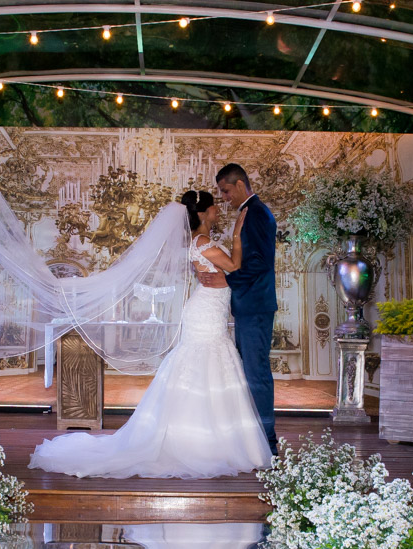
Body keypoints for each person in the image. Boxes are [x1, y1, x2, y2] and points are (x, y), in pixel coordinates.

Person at [28, 191, 273, 479]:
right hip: (206, 312)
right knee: (206, 364)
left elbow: (224, 273)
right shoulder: (203, 241)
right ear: (204, 212)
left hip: (210, 307)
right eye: (214, 207)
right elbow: (235, 267)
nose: (219, 210)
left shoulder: (199, 242)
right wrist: (236, 234)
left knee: (207, 366)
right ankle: (198, 441)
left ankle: (207, 437)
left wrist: (224, 270)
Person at [199, 163, 279, 456]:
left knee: (256, 372)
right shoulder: (250, 212)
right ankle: (255, 438)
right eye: (221, 192)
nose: (223, 197)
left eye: (226, 190)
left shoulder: (256, 213)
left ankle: (268, 442)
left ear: (241, 185)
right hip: (250, 305)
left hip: (256, 306)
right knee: (250, 371)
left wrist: (227, 278)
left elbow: (260, 263)